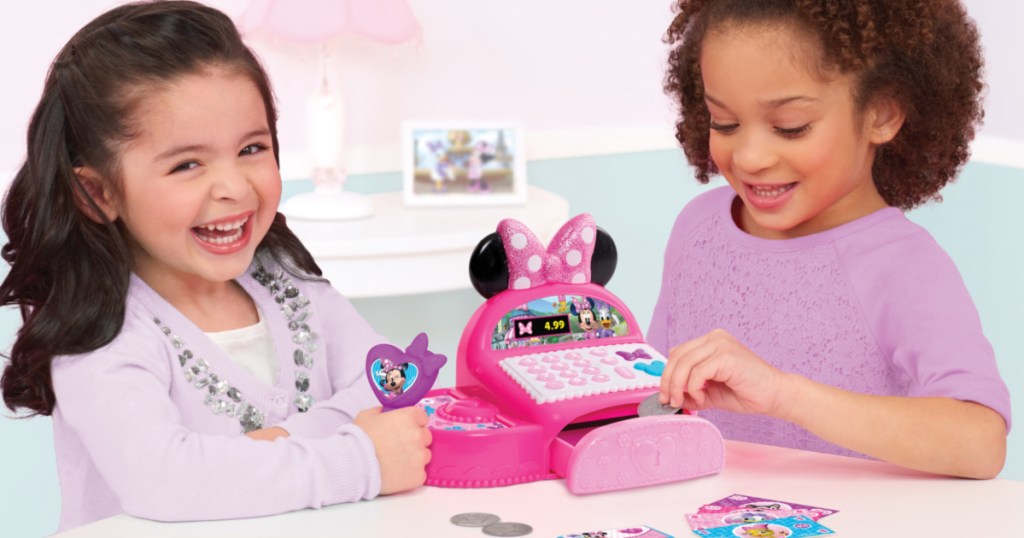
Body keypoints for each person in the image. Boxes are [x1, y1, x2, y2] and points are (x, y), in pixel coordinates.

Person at [0, 1, 430, 532]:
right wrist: (359, 456)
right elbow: (168, 481)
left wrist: (266, 448)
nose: (233, 187)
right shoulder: (99, 336)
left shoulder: (286, 280)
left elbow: (392, 388)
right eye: (187, 164)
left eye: (252, 147)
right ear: (98, 191)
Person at [650, 0, 1010, 479]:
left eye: (790, 127)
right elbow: (651, 389)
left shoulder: (903, 267)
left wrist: (783, 394)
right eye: (725, 123)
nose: (751, 157)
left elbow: (980, 443)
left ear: (881, 114)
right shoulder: (697, 227)